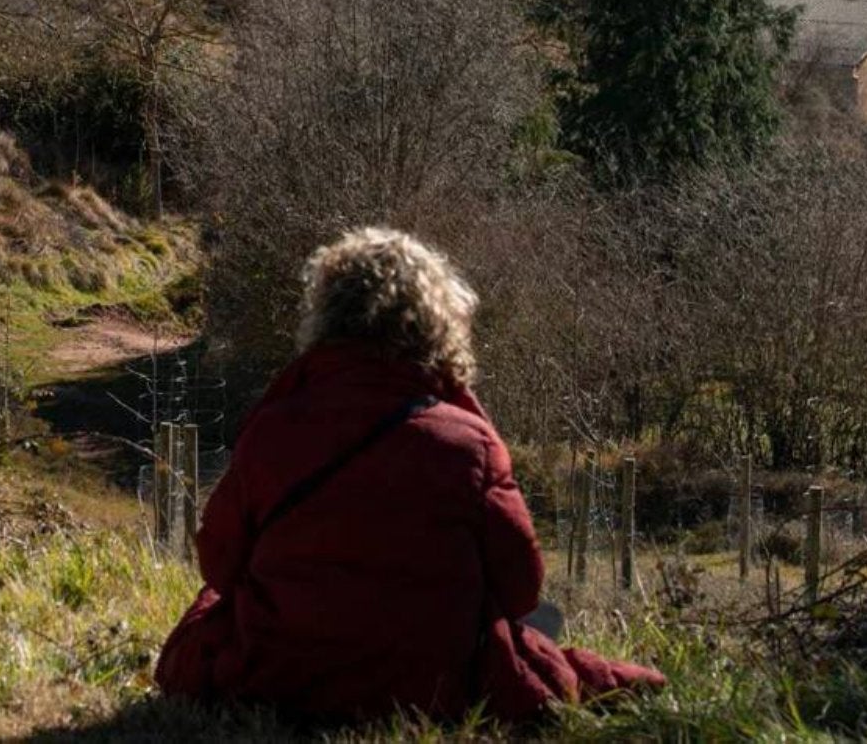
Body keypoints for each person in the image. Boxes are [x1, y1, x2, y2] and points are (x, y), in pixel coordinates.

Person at [155, 227, 664, 724]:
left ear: (325, 319)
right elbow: (520, 587)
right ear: (439, 325)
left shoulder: (274, 427)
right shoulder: (471, 444)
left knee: (212, 608)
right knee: (522, 632)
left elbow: (218, 564)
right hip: (433, 684)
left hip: (281, 674)